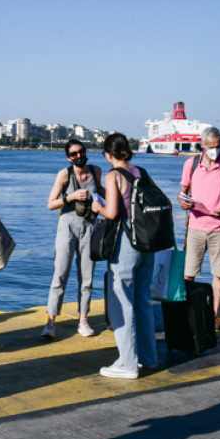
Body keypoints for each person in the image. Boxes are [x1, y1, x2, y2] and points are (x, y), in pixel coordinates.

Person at [91, 133, 157, 377]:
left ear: (109, 155)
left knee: (122, 302)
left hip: (126, 244)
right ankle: (149, 358)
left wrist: (96, 206)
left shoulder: (113, 175)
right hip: (147, 242)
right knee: (142, 300)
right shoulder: (141, 171)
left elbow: (111, 212)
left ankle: (127, 363)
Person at [178, 128, 220, 329]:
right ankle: (187, 313)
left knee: (219, 273)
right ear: (202, 145)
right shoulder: (191, 164)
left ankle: (214, 315)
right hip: (195, 227)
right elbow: (182, 192)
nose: (216, 150)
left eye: (218, 146)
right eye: (211, 146)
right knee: (189, 274)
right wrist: (183, 202)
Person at [43, 139, 101, 339]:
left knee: (87, 276)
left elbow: (103, 195)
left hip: (90, 226)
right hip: (67, 225)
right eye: (73, 154)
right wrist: (71, 197)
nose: (78, 156)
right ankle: (51, 322)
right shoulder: (64, 174)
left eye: (81, 151)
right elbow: (51, 204)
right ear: (68, 157)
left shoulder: (96, 171)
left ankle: (83, 320)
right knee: (60, 273)